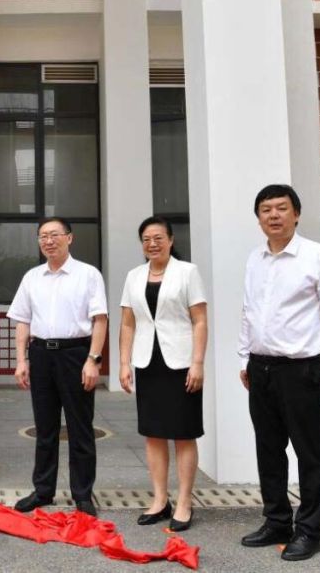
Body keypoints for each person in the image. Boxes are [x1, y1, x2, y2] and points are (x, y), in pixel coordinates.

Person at [238, 184, 320, 562]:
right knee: (268, 450)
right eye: (266, 209)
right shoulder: (255, 259)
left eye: (281, 208)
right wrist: (244, 359)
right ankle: (277, 521)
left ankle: (308, 531)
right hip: (261, 368)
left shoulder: (317, 257)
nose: (274, 215)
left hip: (301, 370)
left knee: (308, 453)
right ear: (259, 218)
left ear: (296, 214)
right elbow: (249, 312)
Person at [9, 217, 108, 517]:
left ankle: (82, 495)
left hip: (75, 355)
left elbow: (100, 320)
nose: (48, 241)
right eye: (43, 236)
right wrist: (21, 360)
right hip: (41, 355)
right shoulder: (32, 277)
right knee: (45, 428)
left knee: (80, 428)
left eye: (54, 235)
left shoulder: (88, 275)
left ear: (69, 238)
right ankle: (43, 490)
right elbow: (22, 321)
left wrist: (93, 360)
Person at [118, 216, 207, 532]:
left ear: (171, 240)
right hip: (147, 362)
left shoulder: (187, 272)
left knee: (183, 432)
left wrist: (198, 362)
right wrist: (124, 362)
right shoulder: (134, 276)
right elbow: (128, 323)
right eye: (146, 239)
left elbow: (199, 320)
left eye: (158, 238)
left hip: (181, 363)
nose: (152, 244)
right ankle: (159, 499)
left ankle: (184, 501)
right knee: (153, 432)